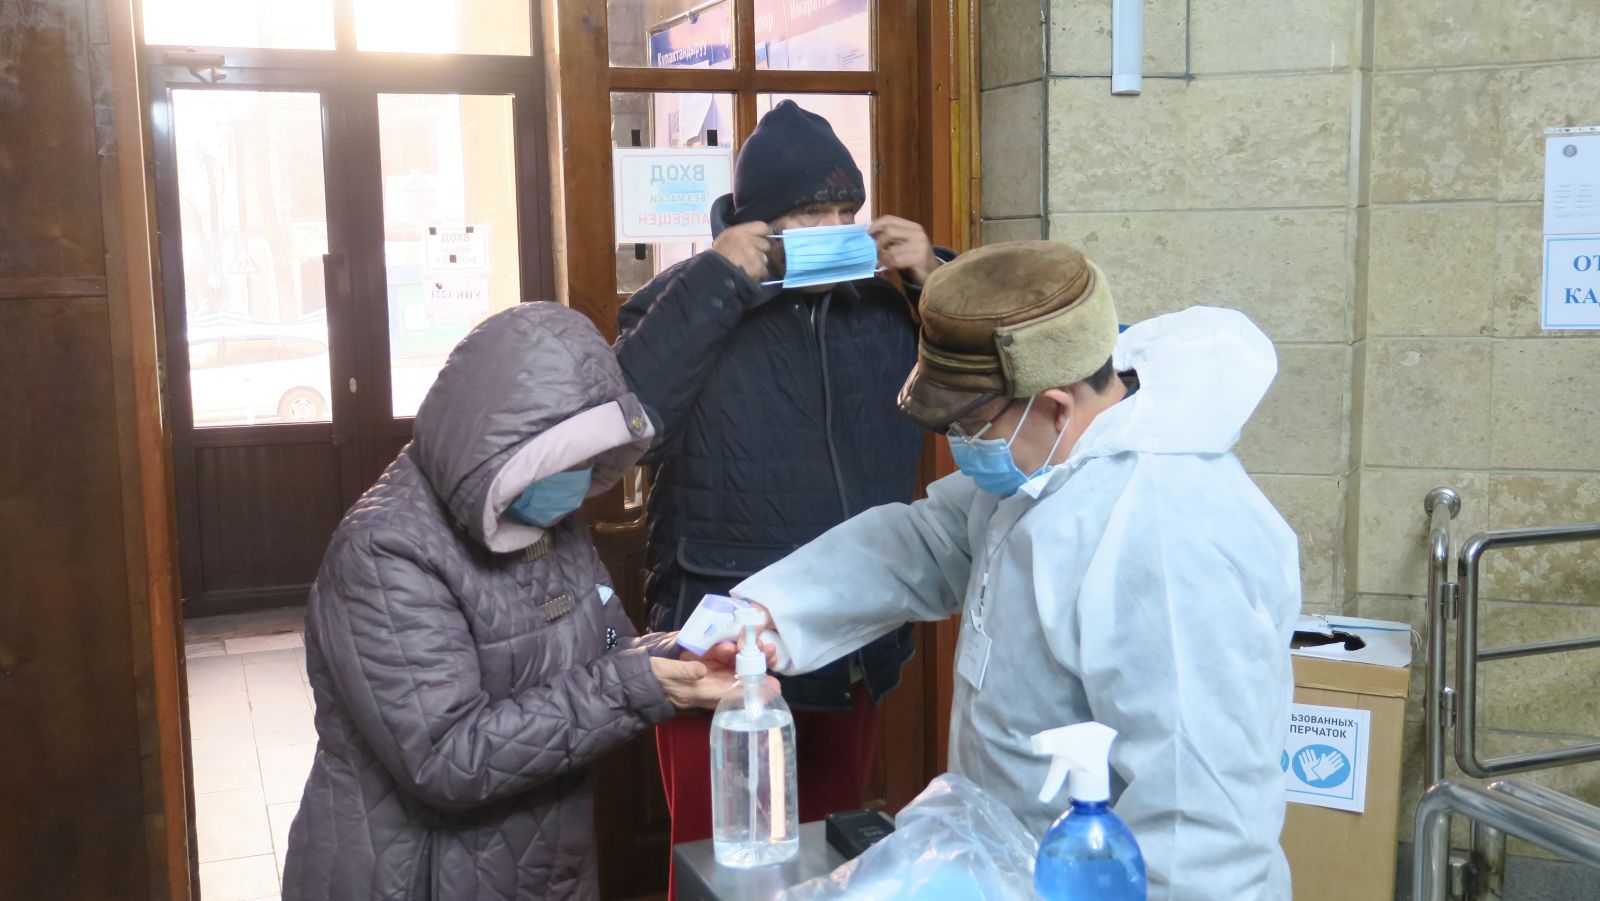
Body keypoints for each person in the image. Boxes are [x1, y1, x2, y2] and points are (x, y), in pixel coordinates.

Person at [719, 241, 1302, 899]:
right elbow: (935, 539)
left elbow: (1198, 828)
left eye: (971, 422)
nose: (961, 445)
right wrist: (770, 612)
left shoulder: (1169, 532)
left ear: (1054, 404)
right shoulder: (1054, 465)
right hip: (1006, 864)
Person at [282, 303, 744, 901]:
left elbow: (607, 641)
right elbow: (449, 758)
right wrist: (643, 683)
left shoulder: (550, 521)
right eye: (563, 462)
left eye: (587, 463)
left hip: (541, 860)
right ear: (496, 448)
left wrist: (679, 652)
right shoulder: (385, 551)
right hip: (417, 872)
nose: (578, 482)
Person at [614, 99, 952, 888]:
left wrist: (939, 276)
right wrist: (719, 280)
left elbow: (1005, 382)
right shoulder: (686, 296)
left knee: (825, 859)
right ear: (755, 222)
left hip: (849, 637)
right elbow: (631, 423)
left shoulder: (888, 301)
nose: (834, 226)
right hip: (724, 648)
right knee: (718, 862)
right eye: (810, 212)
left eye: (846, 210)